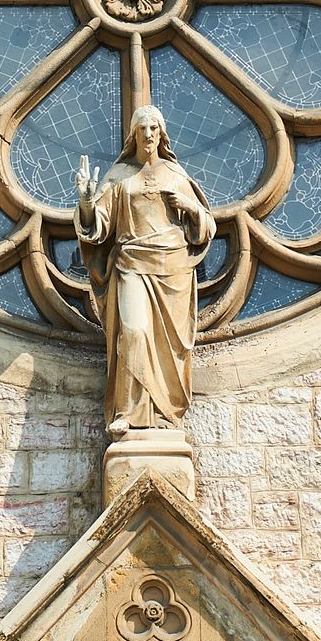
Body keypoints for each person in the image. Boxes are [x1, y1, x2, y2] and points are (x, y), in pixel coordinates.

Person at [74, 106, 215, 437]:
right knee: (134, 331)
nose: (148, 133)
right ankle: (128, 410)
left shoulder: (176, 175)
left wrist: (191, 208)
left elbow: (204, 227)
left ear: (161, 134)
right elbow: (99, 226)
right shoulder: (119, 177)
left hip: (174, 270)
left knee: (169, 346)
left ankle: (164, 411)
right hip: (132, 264)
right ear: (134, 136)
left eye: (154, 128)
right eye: (142, 129)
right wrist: (85, 203)